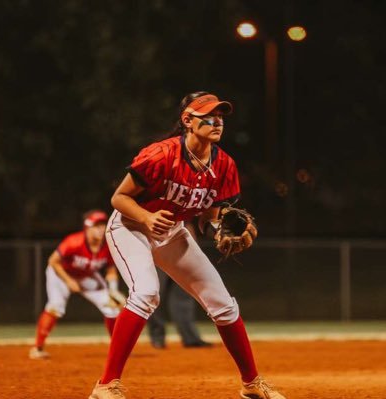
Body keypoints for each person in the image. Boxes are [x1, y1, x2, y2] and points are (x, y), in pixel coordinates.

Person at [88, 92, 286, 399]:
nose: (216, 120)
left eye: (220, 115)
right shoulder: (160, 155)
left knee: (223, 302)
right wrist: (146, 216)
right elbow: (119, 197)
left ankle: (251, 384)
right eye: (208, 115)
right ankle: (105, 385)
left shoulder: (224, 165)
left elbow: (209, 211)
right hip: (130, 226)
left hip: (172, 232)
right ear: (187, 121)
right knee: (146, 293)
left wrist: (220, 224)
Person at [29, 209, 126, 360]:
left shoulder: (108, 245)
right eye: (96, 226)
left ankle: (118, 349)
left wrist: (113, 291)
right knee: (55, 306)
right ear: (87, 227)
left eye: (102, 225)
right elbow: (53, 261)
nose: (101, 229)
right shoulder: (74, 242)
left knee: (111, 307)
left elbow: (111, 269)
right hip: (61, 274)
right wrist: (69, 281)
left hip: (86, 276)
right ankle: (38, 348)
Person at [148, 222, 212, 348]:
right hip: (158, 251)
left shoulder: (187, 205)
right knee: (155, 296)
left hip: (183, 253)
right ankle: (157, 338)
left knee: (184, 297)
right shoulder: (158, 204)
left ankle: (190, 338)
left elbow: (188, 225)